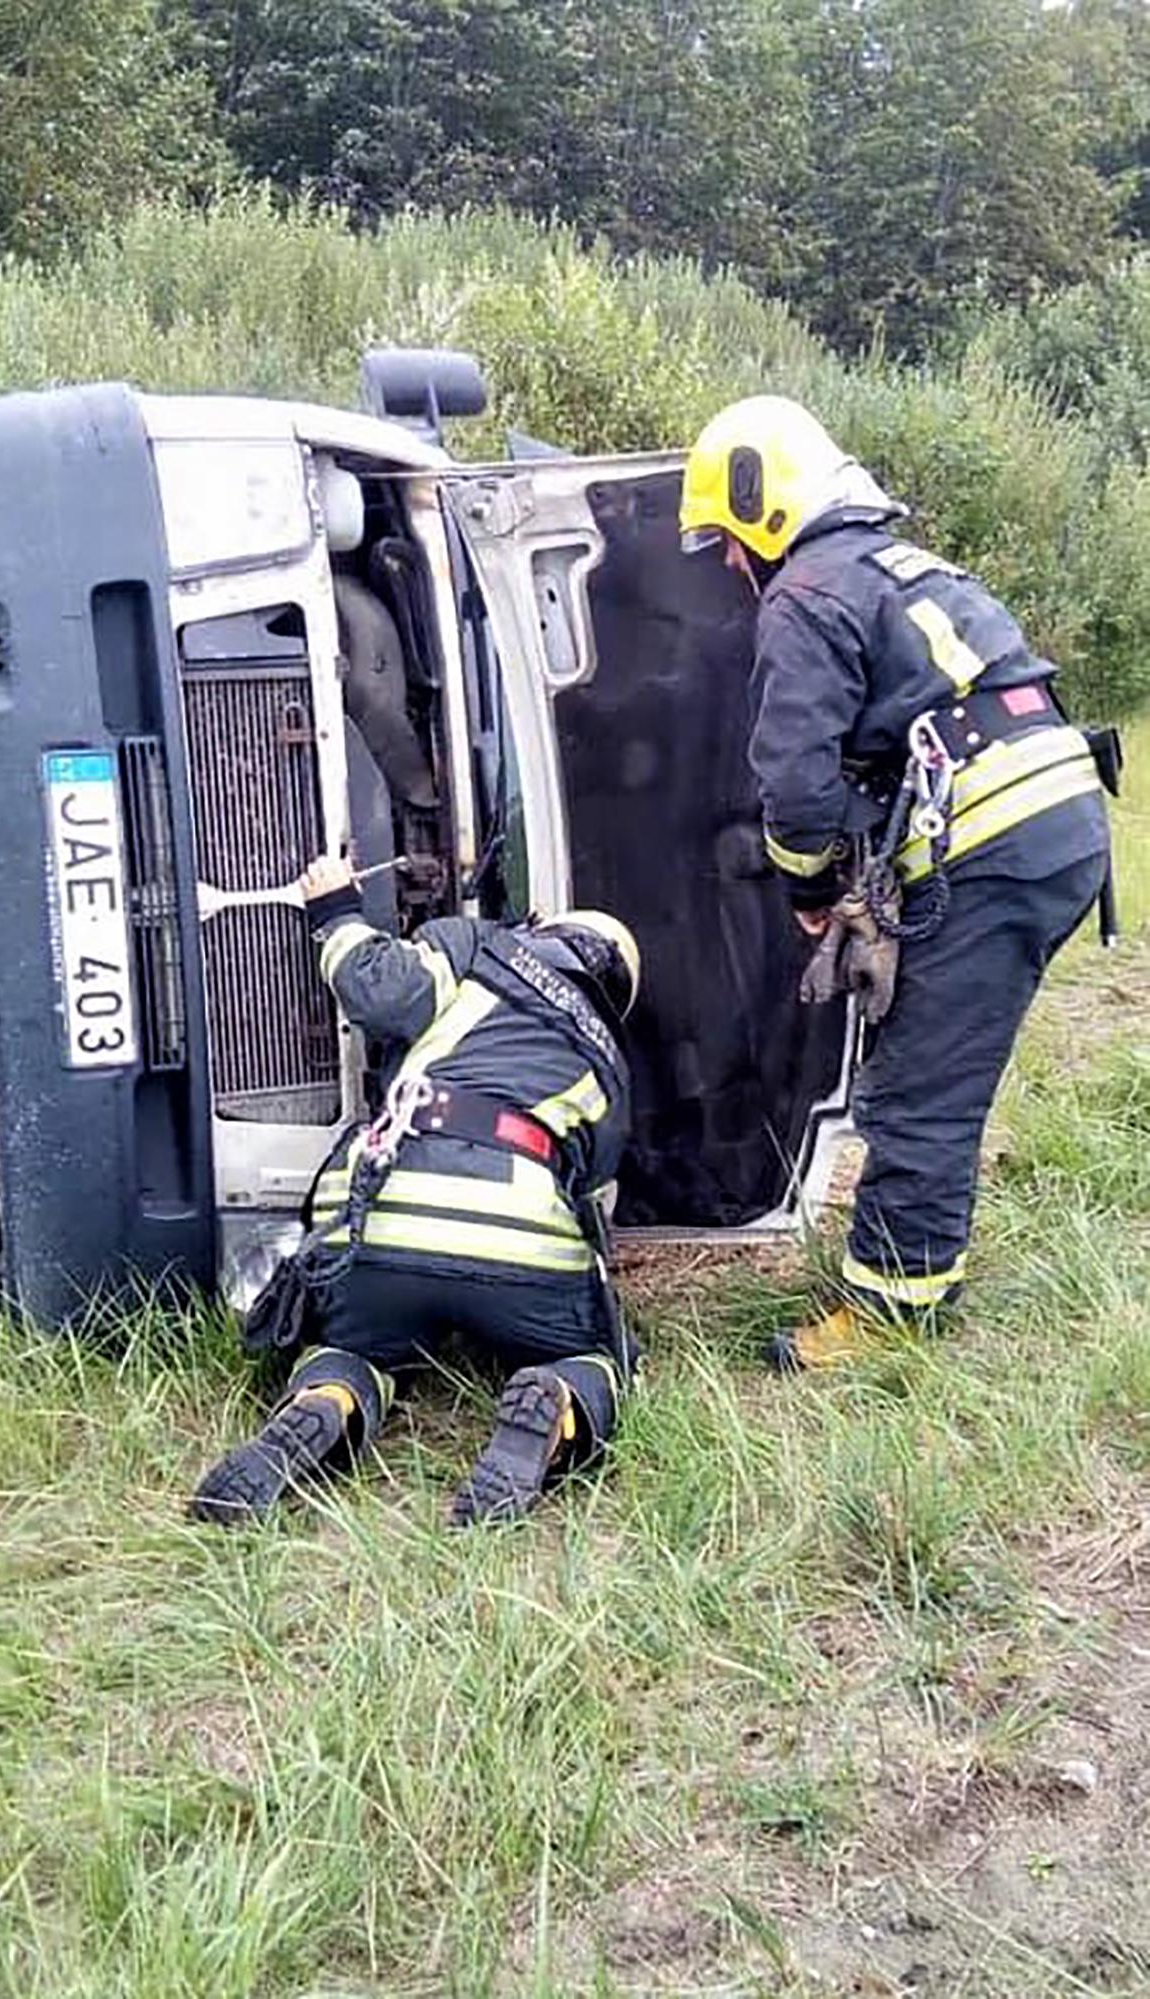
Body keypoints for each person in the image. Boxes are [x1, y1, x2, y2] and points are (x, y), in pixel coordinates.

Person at [679, 395, 1111, 1371]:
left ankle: (893, 1315)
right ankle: (915, 1256)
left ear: (763, 506)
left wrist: (815, 888)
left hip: (1000, 845)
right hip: (1048, 825)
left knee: (922, 1087)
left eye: (728, 545)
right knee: (935, 1063)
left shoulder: (805, 593)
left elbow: (792, 787)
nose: (733, 569)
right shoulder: (894, 567)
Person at [190, 855, 640, 1525]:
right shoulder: (608, 1062)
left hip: (379, 1227)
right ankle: (557, 1393)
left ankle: (326, 1401)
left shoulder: (477, 944)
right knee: (593, 1355)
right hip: (521, 1249)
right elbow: (592, 1203)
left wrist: (336, 912)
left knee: (353, 1348)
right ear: (611, 993)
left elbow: (384, 995)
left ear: (544, 926)